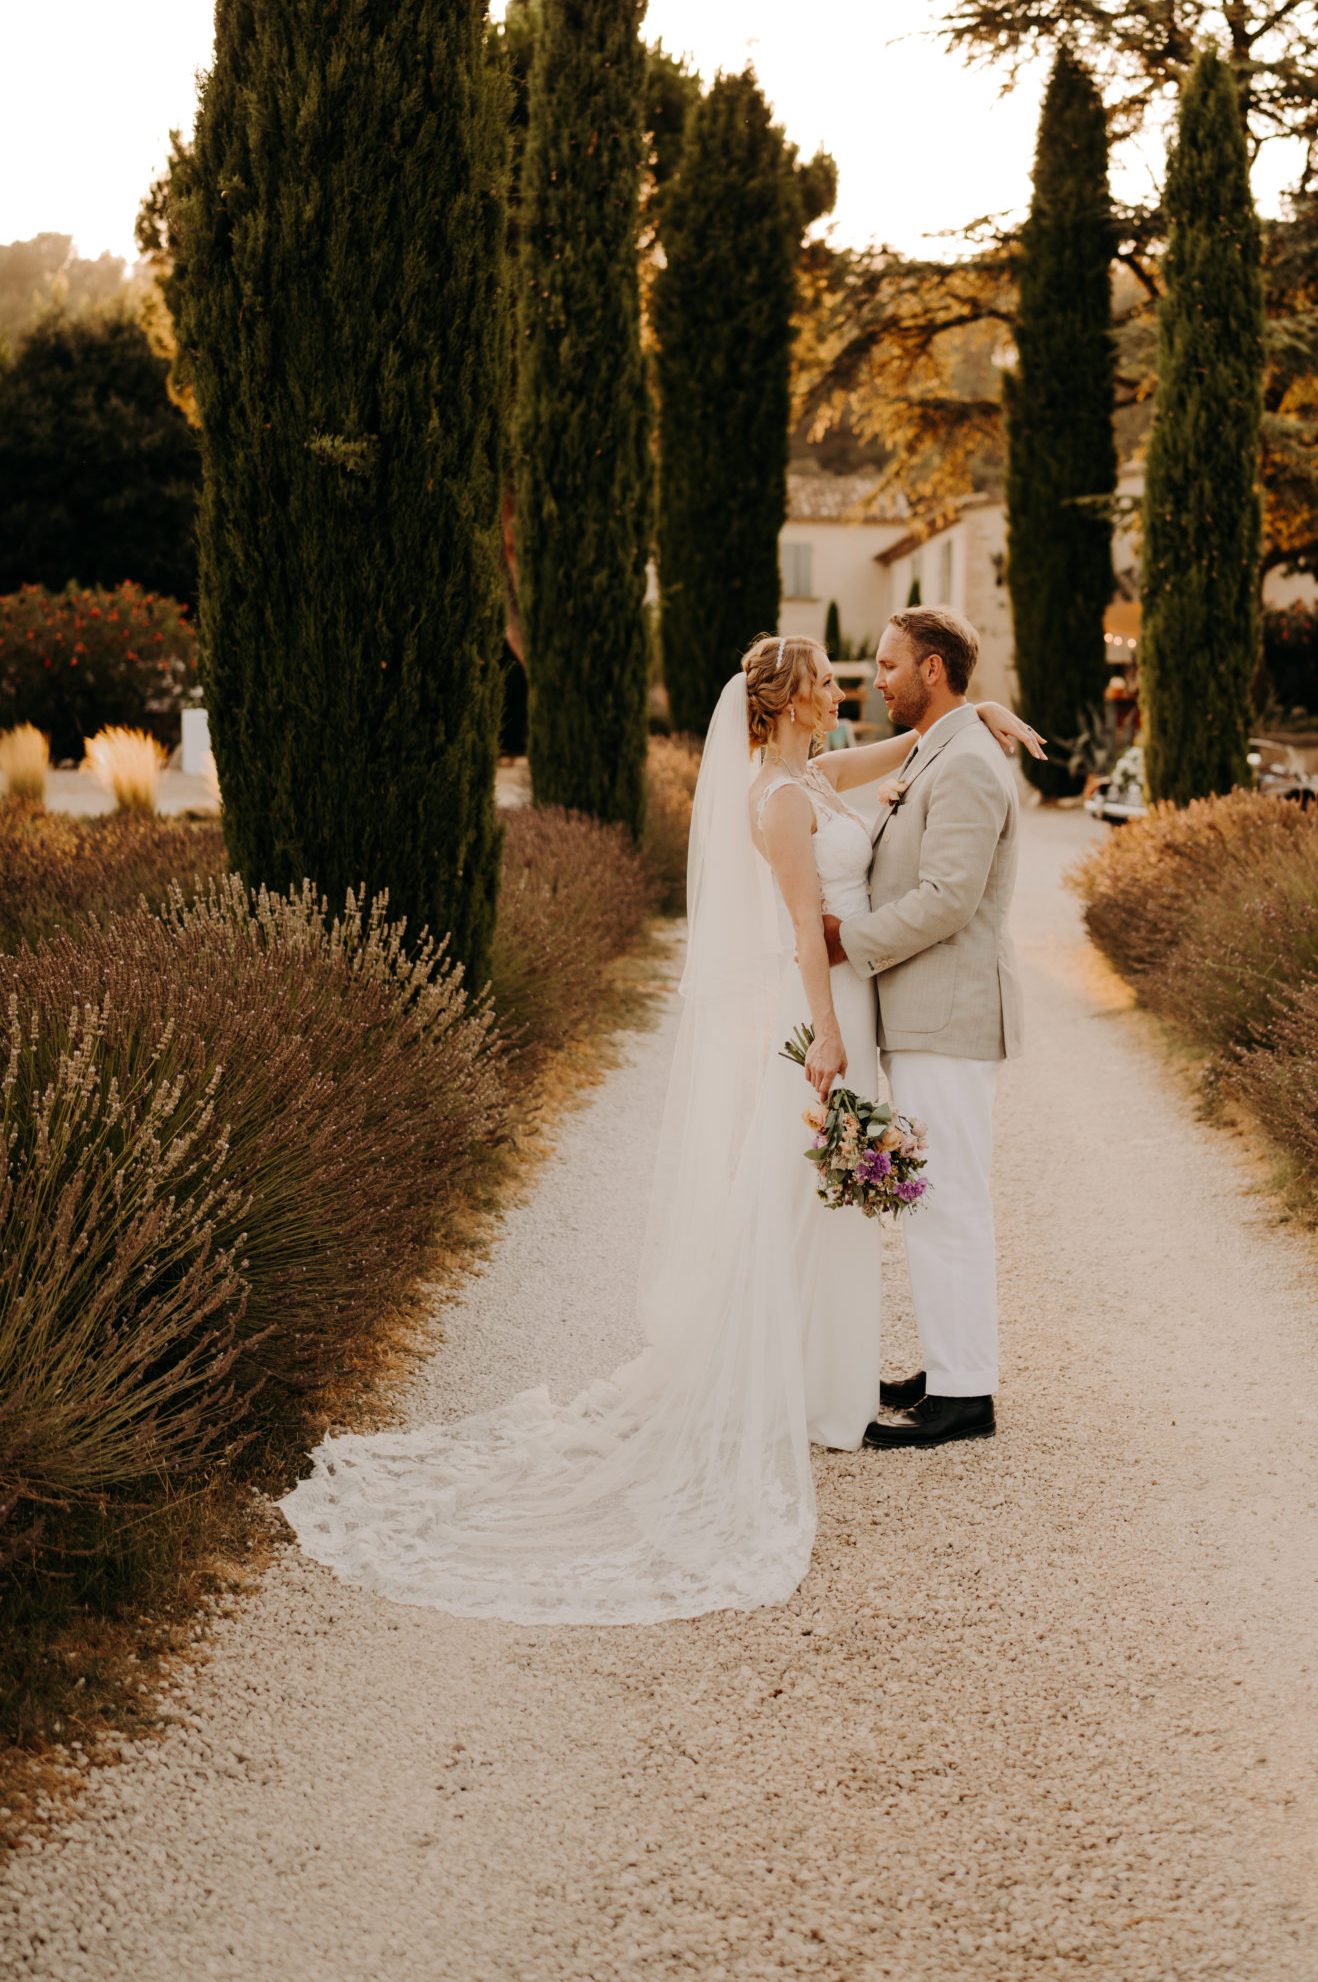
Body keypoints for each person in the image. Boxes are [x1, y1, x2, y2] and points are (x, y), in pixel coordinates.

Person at [278, 633, 1040, 1625]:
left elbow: (900, 755)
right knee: (791, 1192)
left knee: (829, 1205)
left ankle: (825, 1381)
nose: (841, 693)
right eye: (824, 684)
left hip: (850, 1000)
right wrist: (826, 1037)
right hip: (825, 1012)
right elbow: (807, 925)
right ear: (787, 701)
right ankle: (774, 1377)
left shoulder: (810, 773)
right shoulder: (774, 802)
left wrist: (969, 716)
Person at [826, 606, 1023, 1449]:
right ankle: (947, 1367)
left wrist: (848, 941)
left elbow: (949, 899)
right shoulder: (946, 744)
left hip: (946, 1014)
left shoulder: (968, 765)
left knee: (948, 1202)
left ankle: (964, 1397)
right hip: (921, 1015)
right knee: (929, 1198)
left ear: (933, 669)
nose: (877, 679)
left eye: (888, 665)